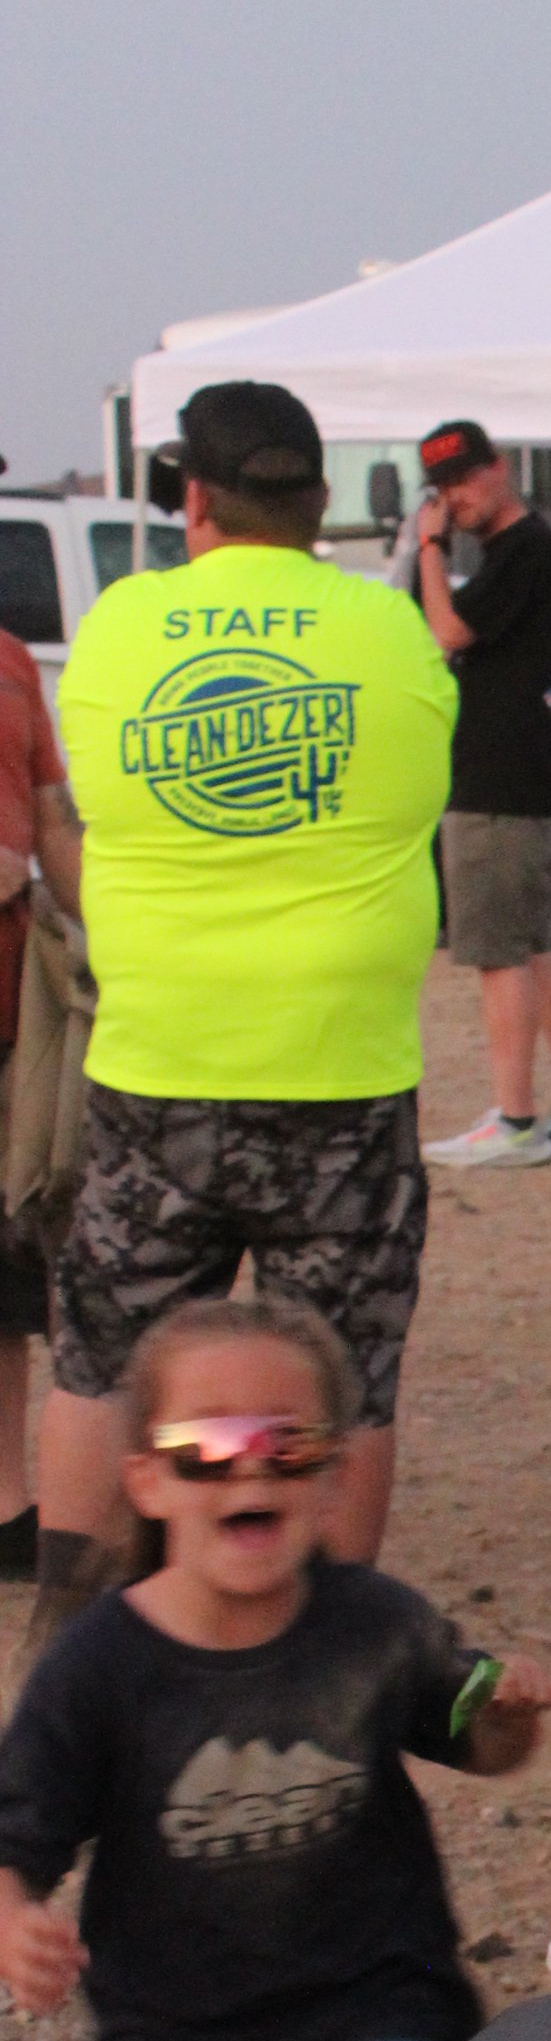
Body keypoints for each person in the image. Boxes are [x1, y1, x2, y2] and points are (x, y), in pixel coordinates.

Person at [0, 1294, 551, 2041]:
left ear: (334, 1477)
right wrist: (15, 1921)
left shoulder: (374, 1624)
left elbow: (475, 1741)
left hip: (373, 2003)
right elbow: (18, 1834)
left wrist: (506, 1718)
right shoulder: (99, 1668)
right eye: (207, 1448)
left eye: (287, 1445)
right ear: (147, 1480)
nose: (249, 1468)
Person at [39, 381, 454, 1668]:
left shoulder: (121, 627)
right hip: (342, 1062)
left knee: (105, 1359)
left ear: (193, 498)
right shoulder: (390, 630)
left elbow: (100, 803)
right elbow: (415, 798)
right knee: (344, 1374)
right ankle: (319, 1665)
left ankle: (70, 1649)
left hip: (160, 1060)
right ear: (321, 503)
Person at [410, 418, 551, 1171]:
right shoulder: (518, 554)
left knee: (498, 954)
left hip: (500, 775)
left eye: (463, 480)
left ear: (498, 468)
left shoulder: (525, 549)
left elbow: (446, 632)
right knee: (529, 947)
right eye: (441, 488)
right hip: (518, 769)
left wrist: (429, 548)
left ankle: (515, 1118)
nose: (454, 499)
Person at [0, 634, 84, 1574]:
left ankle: (13, 1509)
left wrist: (100, 943)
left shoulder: (12, 662)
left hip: (10, 998)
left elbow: (52, 817)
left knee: (17, 1261)